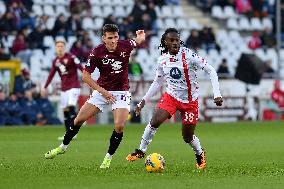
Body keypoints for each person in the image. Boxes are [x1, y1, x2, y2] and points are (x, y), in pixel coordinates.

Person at [44, 24, 145, 169]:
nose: (113, 41)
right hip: (102, 90)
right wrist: (103, 92)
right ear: (104, 38)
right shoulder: (97, 52)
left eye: (116, 37)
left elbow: (138, 40)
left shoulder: (126, 45)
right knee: (78, 119)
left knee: (119, 125)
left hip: (121, 91)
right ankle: (62, 147)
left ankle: (108, 158)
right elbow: (85, 76)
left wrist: (141, 35)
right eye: (110, 38)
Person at [126, 28, 223, 170]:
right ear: (165, 42)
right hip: (171, 96)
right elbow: (157, 82)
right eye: (171, 40)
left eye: (177, 40)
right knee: (155, 121)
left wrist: (217, 93)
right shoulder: (162, 60)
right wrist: (143, 100)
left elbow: (211, 70)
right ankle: (141, 151)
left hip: (190, 101)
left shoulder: (189, 55)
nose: (175, 43)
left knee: (187, 137)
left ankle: (200, 153)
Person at [43, 39, 83, 140]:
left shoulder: (71, 57)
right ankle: (68, 134)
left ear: (65, 48)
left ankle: (74, 133)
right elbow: (51, 75)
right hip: (64, 89)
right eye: (58, 46)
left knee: (71, 107)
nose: (60, 48)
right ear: (56, 48)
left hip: (74, 86)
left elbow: (81, 67)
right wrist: (45, 87)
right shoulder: (55, 61)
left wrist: (88, 78)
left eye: (61, 46)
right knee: (65, 110)